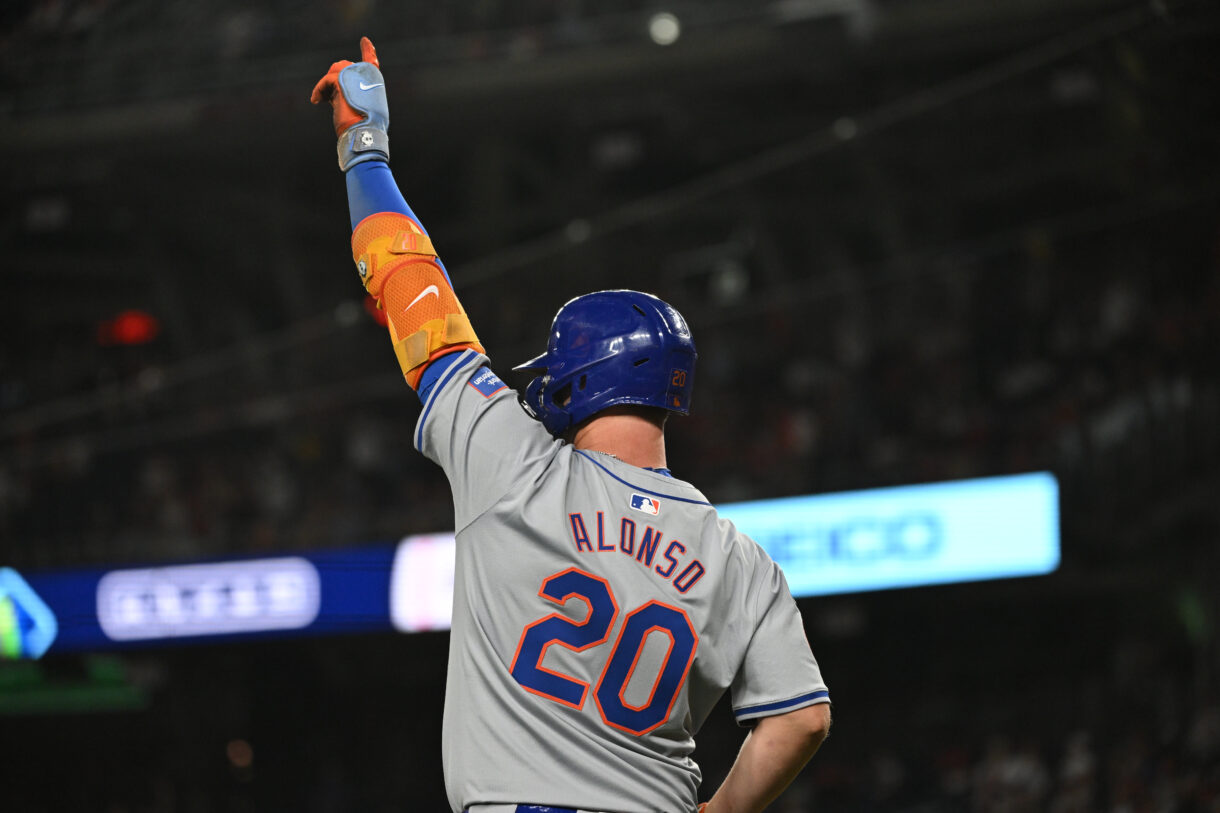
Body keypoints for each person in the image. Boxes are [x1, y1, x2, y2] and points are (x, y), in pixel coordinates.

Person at [312, 38, 832, 813]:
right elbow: (802, 718)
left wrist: (365, 148)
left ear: (579, 380)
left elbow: (405, 275)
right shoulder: (738, 558)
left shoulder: (511, 459)